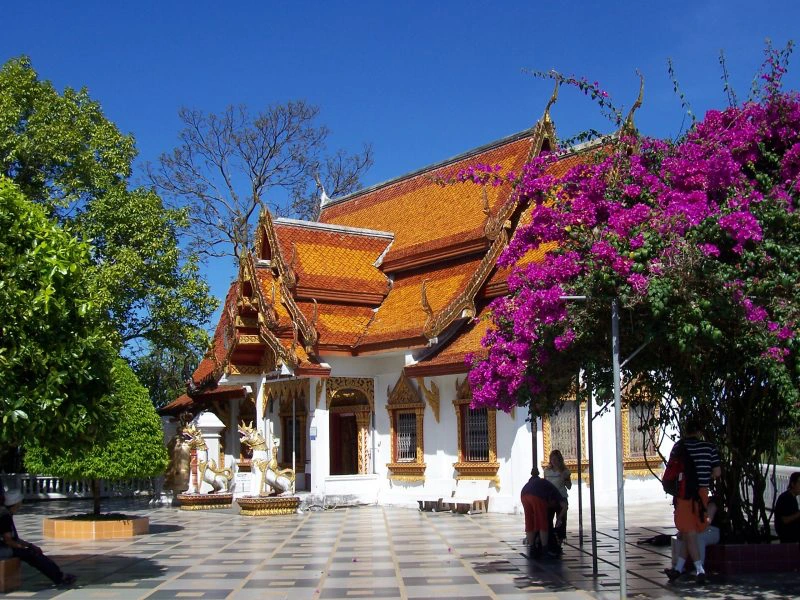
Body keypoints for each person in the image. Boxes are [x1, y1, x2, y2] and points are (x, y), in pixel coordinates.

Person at [663, 417, 721, 584]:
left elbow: (671, 470)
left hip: (684, 494)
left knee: (689, 532)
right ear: (700, 431)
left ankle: (699, 570)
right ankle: (678, 569)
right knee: (690, 532)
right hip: (702, 493)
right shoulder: (709, 448)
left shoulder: (679, 447)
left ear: (685, 430)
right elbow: (717, 473)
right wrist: (704, 476)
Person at [0, 490, 76, 587]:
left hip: (5, 547)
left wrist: (30, 545)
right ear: (16, 503)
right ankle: (59, 577)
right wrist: (23, 548)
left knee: (34, 552)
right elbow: (8, 541)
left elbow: (14, 538)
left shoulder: (7, 515)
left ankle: (59, 575)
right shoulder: (5, 516)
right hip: (3, 549)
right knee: (32, 555)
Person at [521, 468, 567, 559]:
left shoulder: (541, 483)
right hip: (537, 496)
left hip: (524, 494)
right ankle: (545, 550)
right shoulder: (556, 493)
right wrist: (559, 518)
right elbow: (565, 506)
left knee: (530, 521)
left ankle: (532, 548)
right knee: (543, 523)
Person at [671, 495, 723, 570]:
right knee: (684, 536)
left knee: (698, 538)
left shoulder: (711, 503)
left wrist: (693, 531)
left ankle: (700, 567)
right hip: (697, 530)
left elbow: (707, 522)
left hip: (712, 531)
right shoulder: (691, 504)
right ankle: (678, 568)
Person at [543, 449, 572, 545]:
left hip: (561, 496)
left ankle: (559, 540)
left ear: (560, 460)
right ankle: (550, 540)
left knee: (561, 520)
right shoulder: (547, 471)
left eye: (556, 459)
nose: (554, 461)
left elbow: (569, 486)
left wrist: (565, 478)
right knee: (548, 519)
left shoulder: (565, 471)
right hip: (550, 498)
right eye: (552, 459)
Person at [774, 471, 800, 543]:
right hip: (787, 534)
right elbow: (785, 520)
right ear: (792, 484)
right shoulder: (786, 498)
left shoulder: (792, 497)